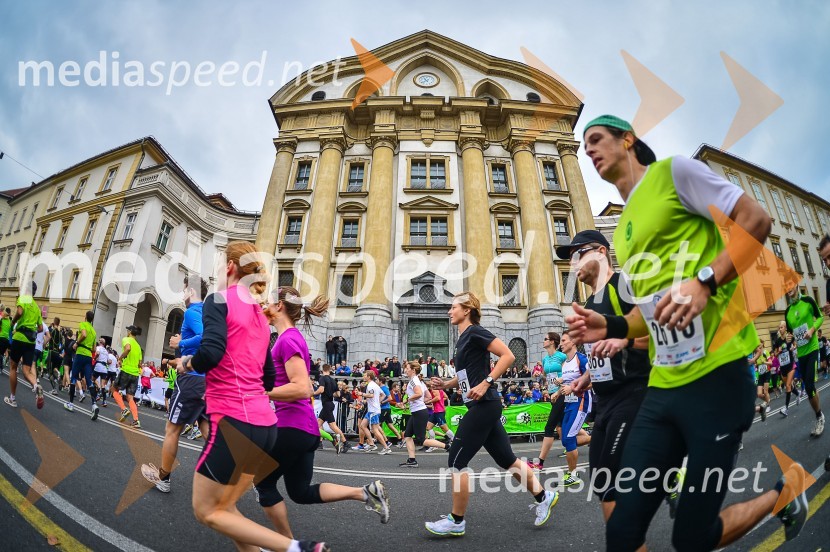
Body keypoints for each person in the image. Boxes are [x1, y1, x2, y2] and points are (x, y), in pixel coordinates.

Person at [569, 114, 808, 550]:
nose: (589, 150)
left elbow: (755, 219)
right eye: (585, 146)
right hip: (663, 388)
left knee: (693, 536)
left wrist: (705, 282)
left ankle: (783, 494)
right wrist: (614, 325)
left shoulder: (673, 173)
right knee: (621, 531)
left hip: (718, 376)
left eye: (596, 139)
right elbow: (651, 312)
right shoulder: (622, 229)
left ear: (628, 139)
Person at [176, 241, 327, 552]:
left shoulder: (219, 299)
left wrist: (187, 362)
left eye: (219, 265)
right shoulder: (260, 317)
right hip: (266, 426)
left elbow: (212, 352)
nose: (217, 272)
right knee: (228, 509)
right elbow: (268, 376)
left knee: (206, 510)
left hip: (234, 422)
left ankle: (297, 548)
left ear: (230, 267)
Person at [254, 285, 390, 535]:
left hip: (291, 426)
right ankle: (365, 492)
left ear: (280, 306)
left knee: (263, 482)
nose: (264, 305)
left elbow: (302, 388)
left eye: (268, 302)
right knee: (300, 492)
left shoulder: (289, 339)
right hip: (304, 429)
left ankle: (287, 545)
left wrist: (261, 392)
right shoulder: (287, 338)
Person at [426, 292, 558, 536]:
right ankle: (544, 495)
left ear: (467, 310)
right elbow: (467, 376)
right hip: (480, 404)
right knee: (507, 459)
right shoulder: (463, 338)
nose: (449, 311)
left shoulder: (476, 331)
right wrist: (446, 384)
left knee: (456, 460)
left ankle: (456, 521)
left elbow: (508, 356)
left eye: (453, 307)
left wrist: (487, 382)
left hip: (485, 404)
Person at [141, 275, 209, 493]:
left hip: (190, 379)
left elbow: (204, 336)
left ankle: (164, 478)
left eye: (185, 289)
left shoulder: (192, 312)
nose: (183, 294)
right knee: (208, 431)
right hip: (205, 380)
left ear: (191, 291)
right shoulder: (206, 313)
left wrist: (182, 342)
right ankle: (230, 476)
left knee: (172, 429)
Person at [783, 283, 824, 436]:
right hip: (801, 354)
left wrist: (812, 329)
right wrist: (789, 338)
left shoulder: (808, 301)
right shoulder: (787, 312)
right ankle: (819, 410)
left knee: (808, 386)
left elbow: (820, 317)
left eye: (790, 285)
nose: (788, 288)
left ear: (796, 285)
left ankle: (819, 417)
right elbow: (790, 334)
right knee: (810, 387)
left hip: (812, 348)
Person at [527, 332, 567, 470]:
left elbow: (569, 373)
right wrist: (542, 383)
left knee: (549, 427)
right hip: (552, 396)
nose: (543, 341)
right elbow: (546, 375)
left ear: (553, 342)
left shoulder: (562, 356)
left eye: (545, 339)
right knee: (564, 427)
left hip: (562, 393)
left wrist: (559, 388)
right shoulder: (545, 359)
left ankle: (540, 462)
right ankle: (594, 439)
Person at [4, 282, 45, 409]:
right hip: (31, 342)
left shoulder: (23, 298)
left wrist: (13, 322)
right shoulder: (37, 307)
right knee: (26, 371)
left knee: (13, 367)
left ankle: (13, 398)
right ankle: (35, 385)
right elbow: (40, 328)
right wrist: (32, 331)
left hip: (20, 337)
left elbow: (20, 312)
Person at [398, 362, 448, 466]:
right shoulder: (419, 381)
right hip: (418, 411)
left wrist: (407, 400)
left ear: (413, 370)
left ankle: (448, 447)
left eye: (407, 368)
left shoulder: (413, 381)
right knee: (407, 436)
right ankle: (412, 460)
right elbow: (428, 396)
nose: (405, 370)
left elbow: (419, 394)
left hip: (419, 412)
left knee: (421, 439)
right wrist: (418, 401)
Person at [112, 325, 143, 427]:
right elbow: (140, 363)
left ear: (129, 332)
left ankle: (124, 409)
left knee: (114, 389)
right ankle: (136, 420)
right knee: (130, 397)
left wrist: (120, 359)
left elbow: (128, 348)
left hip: (126, 371)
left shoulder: (126, 339)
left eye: (127, 330)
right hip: (135, 374)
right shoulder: (138, 346)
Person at [315, 364, 347, 453]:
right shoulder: (333, 380)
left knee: (332, 426)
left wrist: (312, 393)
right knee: (318, 424)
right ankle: (319, 443)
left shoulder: (322, 378)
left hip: (327, 405)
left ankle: (345, 442)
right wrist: (329, 393)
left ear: (322, 369)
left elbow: (321, 390)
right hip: (330, 404)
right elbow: (338, 394)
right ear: (329, 370)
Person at [378, 375, 402, 443]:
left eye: (377, 380)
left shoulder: (384, 388)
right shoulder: (381, 388)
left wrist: (382, 402)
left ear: (380, 381)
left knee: (376, 425)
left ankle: (385, 441)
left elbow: (390, 398)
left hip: (384, 409)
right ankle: (400, 439)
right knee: (390, 425)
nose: (376, 381)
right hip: (386, 409)